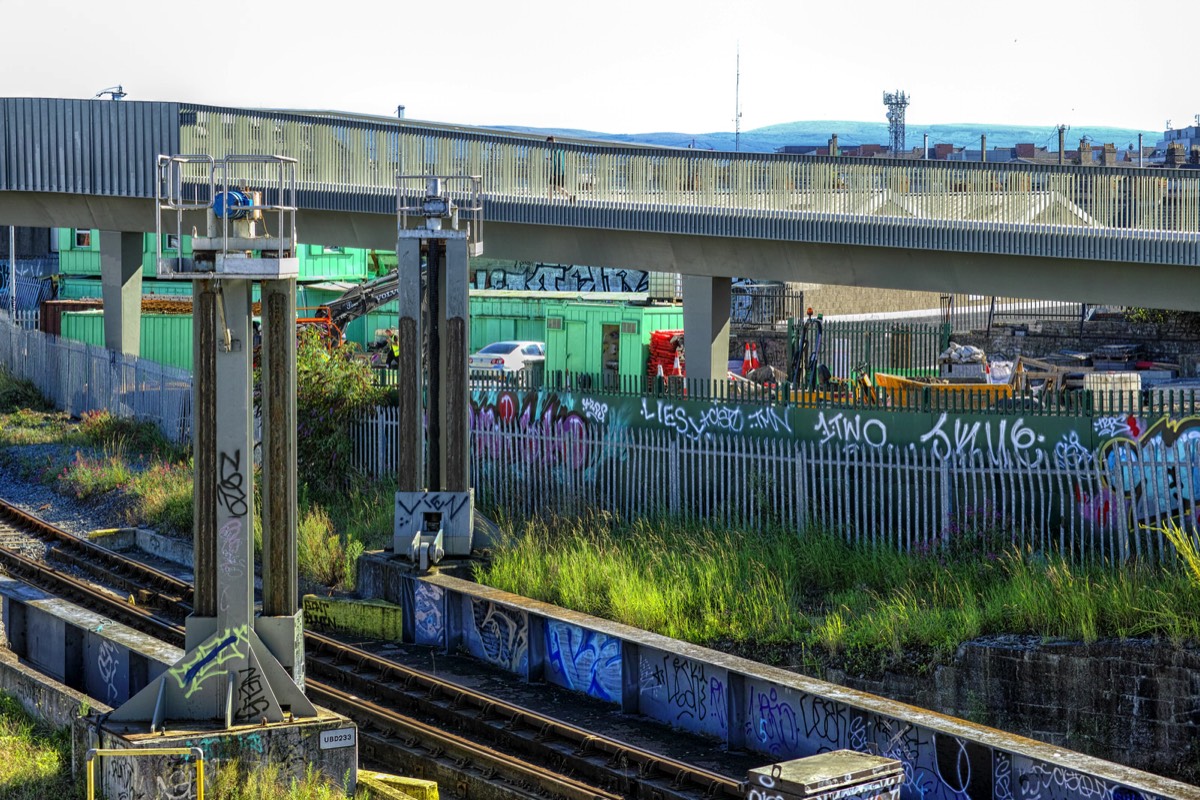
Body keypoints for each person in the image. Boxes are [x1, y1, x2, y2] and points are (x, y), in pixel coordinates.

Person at [546, 136, 573, 201]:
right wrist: (551, 158)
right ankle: (570, 196)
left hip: (556, 171)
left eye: (549, 143)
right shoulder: (560, 148)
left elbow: (556, 162)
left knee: (551, 186)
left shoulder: (553, 150)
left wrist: (553, 173)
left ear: (553, 142)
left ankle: (550, 202)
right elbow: (559, 159)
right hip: (562, 170)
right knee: (558, 187)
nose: (548, 145)